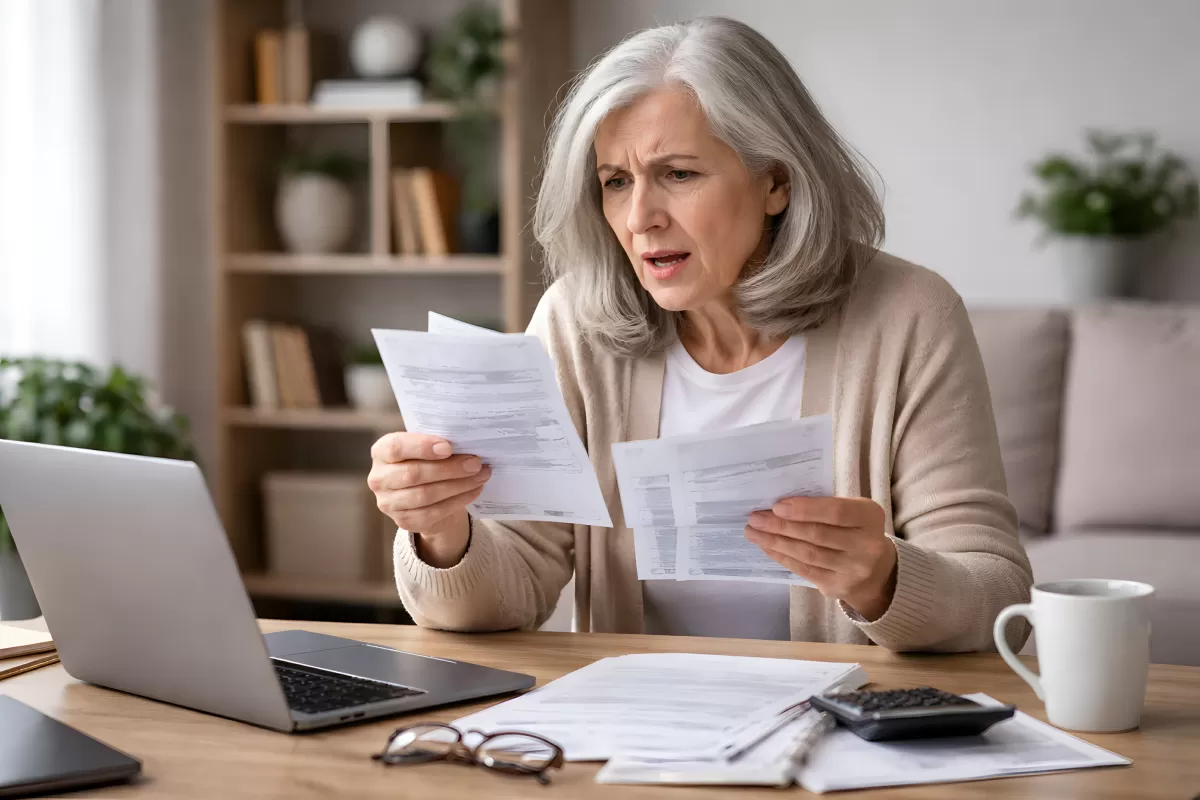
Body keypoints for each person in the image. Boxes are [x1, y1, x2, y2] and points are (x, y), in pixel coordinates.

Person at [367, 16, 1031, 652]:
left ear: (776, 182)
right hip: (639, 716)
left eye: (678, 174)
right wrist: (442, 532)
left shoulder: (910, 315)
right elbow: (510, 589)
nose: (640, 218)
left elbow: (1000, 599)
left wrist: (881, 577)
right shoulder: (578, 322)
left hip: (845, 716)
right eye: (616, 182)